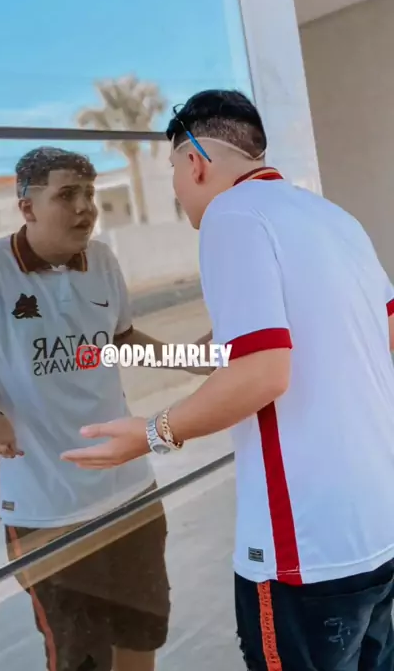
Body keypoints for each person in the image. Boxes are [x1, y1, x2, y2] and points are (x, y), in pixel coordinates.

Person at [64, 90, 394, 671]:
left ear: (194, 160)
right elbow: (369, 334)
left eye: (172, 169)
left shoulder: (231, 216)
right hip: (376, 529)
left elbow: (261, 371)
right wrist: (129, 352)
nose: (175, 189)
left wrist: (152, 433)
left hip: (303, 551)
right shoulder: (331, 218)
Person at [0, 146, 210, 671]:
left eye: (89, 193)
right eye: (67, 195)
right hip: (46, 509)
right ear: (27, 207)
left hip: (130, 493)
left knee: (141, 635)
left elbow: (121, 340)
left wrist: (192, 359)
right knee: (81, 658)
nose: (85, 207)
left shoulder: (103, 260)